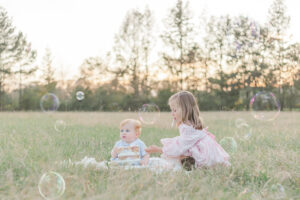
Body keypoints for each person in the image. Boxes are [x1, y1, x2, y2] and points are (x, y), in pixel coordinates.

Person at [145, 91, 231, 169]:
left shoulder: (188, 128)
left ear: (185, 110)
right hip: (205, 153)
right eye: (171, 110)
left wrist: (159, 149)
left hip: (205, 157)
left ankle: (191, 166)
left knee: (175, 156)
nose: (172, 113)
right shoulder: (190, 124)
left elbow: (180, 147)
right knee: (177, 154)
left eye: (174, 110)